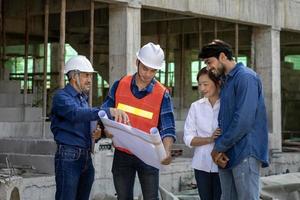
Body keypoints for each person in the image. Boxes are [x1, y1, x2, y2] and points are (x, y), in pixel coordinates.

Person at [101, 42, 176, 200]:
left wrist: (166, 152)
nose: (148, 74)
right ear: (137, 62)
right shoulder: (120, 85)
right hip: (122, 154)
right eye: (144, 68)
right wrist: (105, 128)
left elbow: (168, 128)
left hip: (149, 156)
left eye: (153, 70)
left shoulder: (162, 94)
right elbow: (104, 113)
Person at [198, 39, 269, 200]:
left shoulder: (246, 78)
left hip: (245, 152)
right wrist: (220, 149)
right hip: (227, 154)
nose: (209, 68)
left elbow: (243, 120)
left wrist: (218, 146)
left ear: (223, 56)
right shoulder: (227, 81)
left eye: (210, 62)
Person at [51, 55, 128, 200]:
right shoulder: (61, 97)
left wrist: (97, 134)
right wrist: (108, 111)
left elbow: (84, 120)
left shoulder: (83, 100)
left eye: (90, 76)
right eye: (86, 75)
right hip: (69, 156)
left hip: (86, 157)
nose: (90, 80)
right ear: (74, 76)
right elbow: (75, 114)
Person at [183, 67, 222, 200]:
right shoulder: (196, 107)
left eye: (206, 84)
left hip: (222, 165)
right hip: (201, 165)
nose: (202, 88)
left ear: (217, 83)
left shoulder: (227, 105)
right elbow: (188, 138)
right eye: (200, 84)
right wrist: (209, 139)